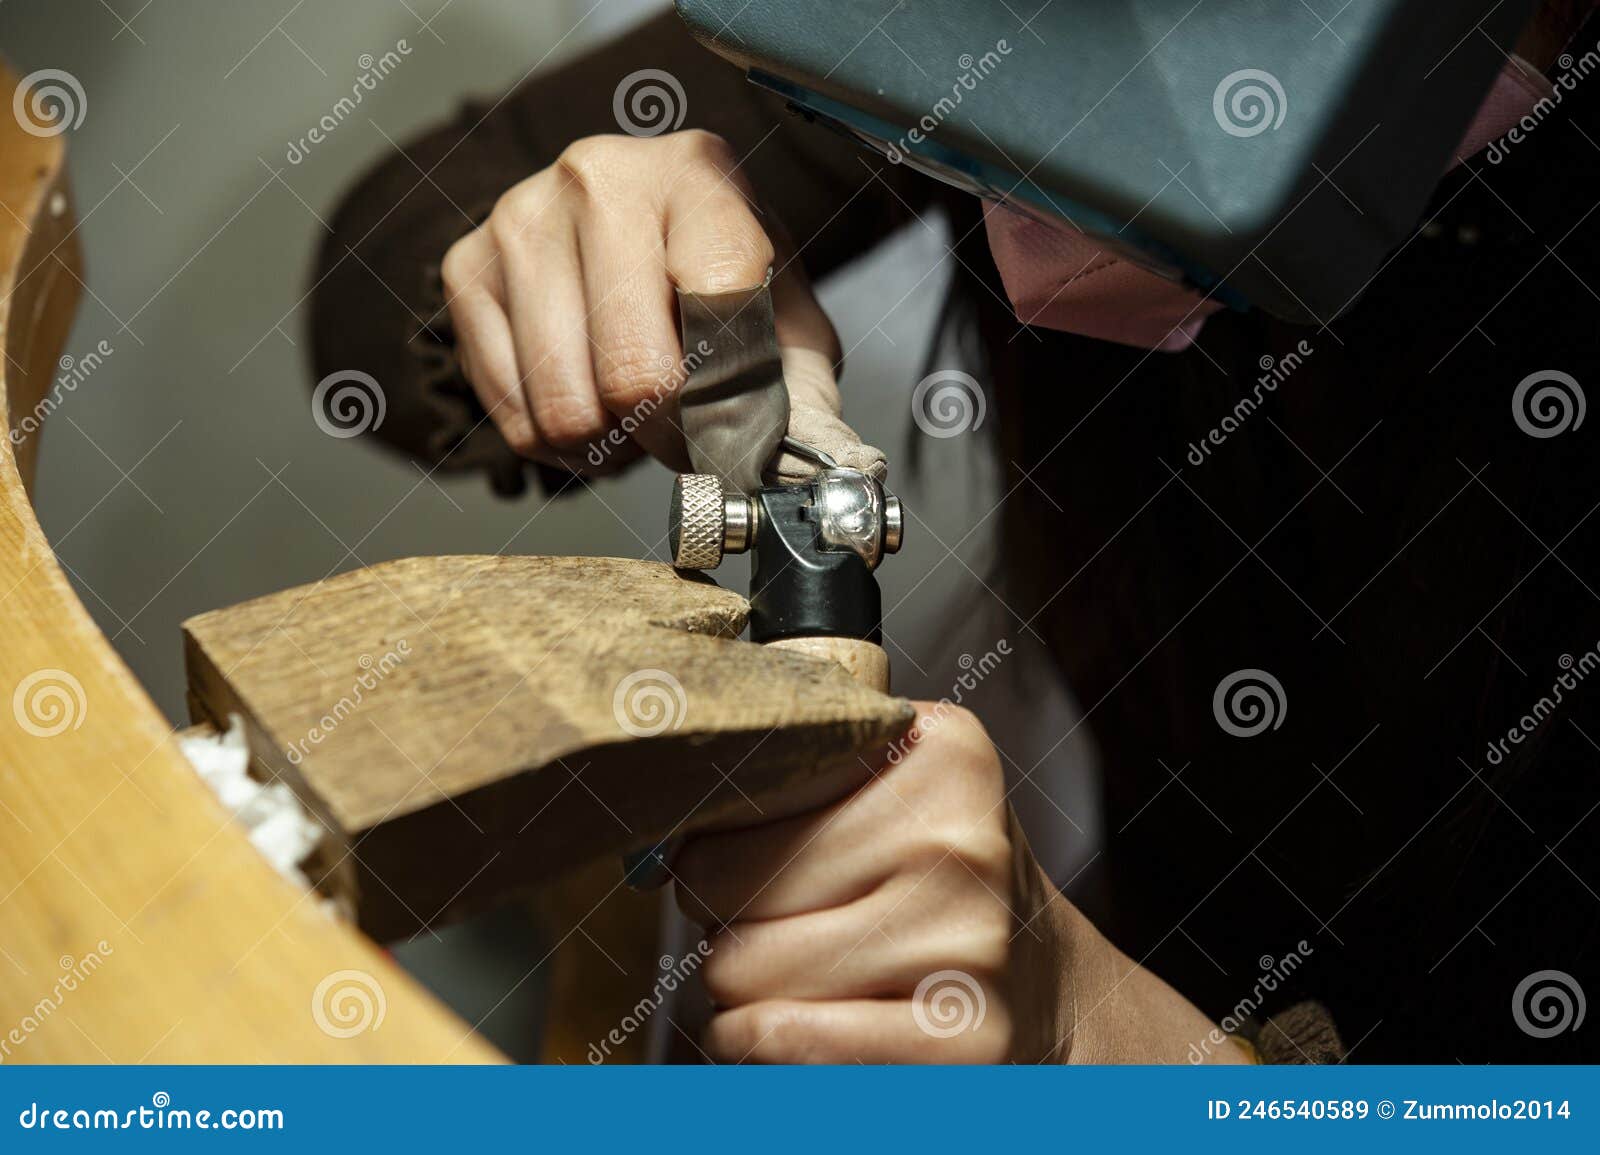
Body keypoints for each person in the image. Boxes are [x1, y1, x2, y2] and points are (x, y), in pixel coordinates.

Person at [313, 1, 1600, 1062]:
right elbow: (382, 262)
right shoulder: (1025, 33)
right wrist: (590, 273)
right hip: (1159, 894)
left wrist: (1117, 1042)